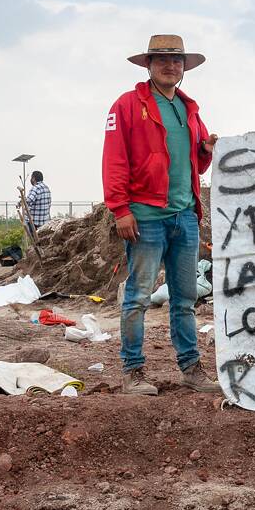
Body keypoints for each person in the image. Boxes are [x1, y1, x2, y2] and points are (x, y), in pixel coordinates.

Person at [102, 34, 220, 395]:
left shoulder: (189, 109)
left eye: (177, 61)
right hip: (145, 217)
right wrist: (120, 209)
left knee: (184, 298)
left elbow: (195, 167)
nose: (171, 66)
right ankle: (133, 371)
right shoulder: (126, 106)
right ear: (148, 65)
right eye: (163, 60)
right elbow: (114, 159)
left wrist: (206, 150)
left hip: (184, 216)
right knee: (138, 296)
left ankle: (191, 368)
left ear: (184, 68)